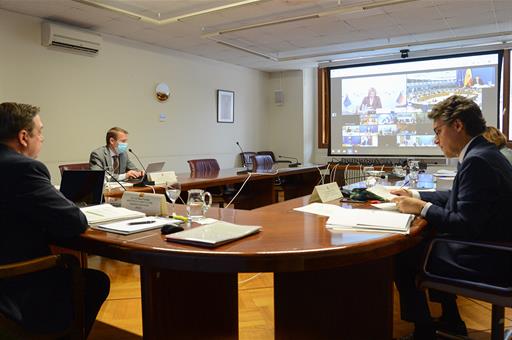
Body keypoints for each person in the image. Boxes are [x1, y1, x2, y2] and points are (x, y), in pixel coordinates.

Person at [390, 95, 512, 340]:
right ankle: (451, 320)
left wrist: (422, 207)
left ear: (457, 125)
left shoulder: (477, 160)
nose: (436, 140)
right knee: (427, 241)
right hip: (499, 248)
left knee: (403, 253)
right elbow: (456, 197)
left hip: (493, 259)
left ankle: (424, 331)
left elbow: (463, 224)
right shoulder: (484, 152)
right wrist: (414, 195)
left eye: (438, 131)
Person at [0, 102, 110, 337]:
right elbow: (74, 222)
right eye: (40, 131)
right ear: (23, 136)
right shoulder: (23, 168)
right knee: (95, 281)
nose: (42, 138)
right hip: (16, 285)